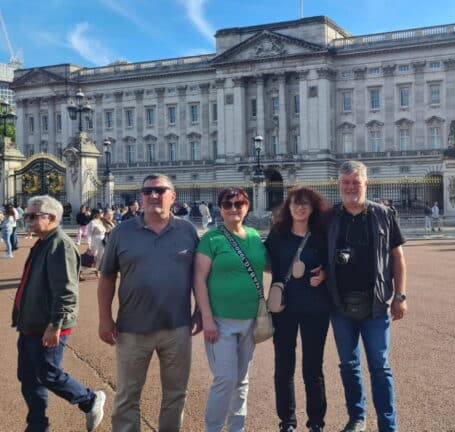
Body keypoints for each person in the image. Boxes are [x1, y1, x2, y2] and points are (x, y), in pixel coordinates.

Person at [97, 174, 201, 432]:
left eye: (160, 190)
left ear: (173, 196)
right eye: (147, 191)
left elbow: (200, 275)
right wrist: (104, 317)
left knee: (176, 394)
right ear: (141, 197)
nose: (153, 195)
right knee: (126, 396)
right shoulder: (122, 231)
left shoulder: (188, 231)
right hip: (132, 328)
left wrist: (200, 309)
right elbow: (107, 276)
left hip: (177, 327)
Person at [12, 195, 106, 432]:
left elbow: (66, 291)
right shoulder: (44, 241)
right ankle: (37, 425)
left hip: (49, 324)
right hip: (31, 323)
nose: (28, 221)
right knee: (28, 377)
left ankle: (90, 400)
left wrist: (55, 325)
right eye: (26, 215)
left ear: (52, 218)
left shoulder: (60, 244)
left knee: (48, 374)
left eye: (33, 216)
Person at [326, 161, 407, 432]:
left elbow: (397, 256)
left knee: (380, 367)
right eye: (346, 182)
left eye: (355, 182)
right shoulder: (330, 217)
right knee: (349, 366)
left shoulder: (384, 213)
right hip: (339, 304)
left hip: (376, 304)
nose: (350, 187)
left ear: (365, 183)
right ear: (339, 184)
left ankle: (388, 424)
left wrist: (401, 295)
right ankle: (357, 418)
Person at [193, 187, 267, 432]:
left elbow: (271, 267)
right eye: (228, 204)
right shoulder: (211, 238)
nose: (234, 209)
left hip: (251, 319)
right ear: (220, 208)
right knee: (225, 380)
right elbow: (199, 279)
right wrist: (207, 319)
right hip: (221, 320)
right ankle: (212, 428)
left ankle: (237, 428)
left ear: (247, 206)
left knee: (242, 381)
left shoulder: (255, 236)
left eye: (239, 204)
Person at [264, 187, 331, 432]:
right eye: (295, 203)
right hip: (284, 309)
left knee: (313, 368)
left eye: (305, 204)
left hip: (316, 308)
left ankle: (316, 422)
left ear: (313, 208)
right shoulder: (277, 234)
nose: (300, 207)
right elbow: (263, 261)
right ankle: (287, 422)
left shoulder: (321, 235)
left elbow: (333, 265)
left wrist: (325, 274)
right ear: (288, 207)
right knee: (283, 368)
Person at [82, 209, 108, 279]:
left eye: (102, 212)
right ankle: (81, 271)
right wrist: (89, 244)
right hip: (95, 241)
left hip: (102, 241)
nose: (102, 214)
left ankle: (97, 270)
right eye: (101, 213)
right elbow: (89, 234)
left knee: (100, 257)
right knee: (91, 257)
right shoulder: (92, 223)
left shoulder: (102, 221)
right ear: (96, 214)